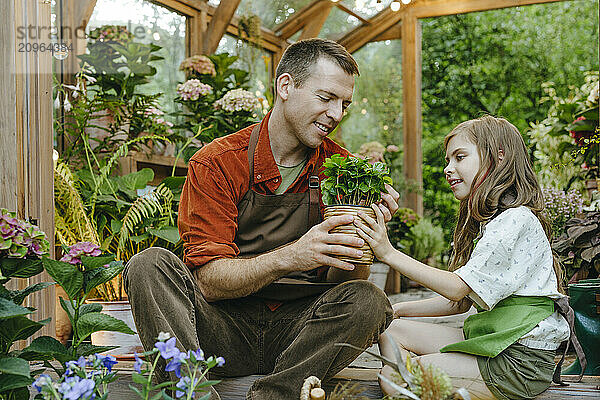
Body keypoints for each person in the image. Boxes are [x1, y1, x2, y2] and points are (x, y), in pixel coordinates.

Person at [124, 38, 397, 400]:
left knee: (370, 300)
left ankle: (274, 395)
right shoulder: (219, 162)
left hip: (301, 336)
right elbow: (208, 283)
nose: (336, 114)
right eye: (325, 98)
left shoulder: (342, 169)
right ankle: (191, 393)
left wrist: (363, 239)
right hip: (221, 328)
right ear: (286, 86)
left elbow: (343, 283)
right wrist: (293, 255)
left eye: (344, 103)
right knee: (148, 265)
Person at [354, 115, 570, 399]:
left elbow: (456, 287)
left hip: (518, 361)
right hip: (496, 341)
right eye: (448, 160)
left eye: (459, 157)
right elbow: (459, 303)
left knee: (395, 378)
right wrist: (399, 310)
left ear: (499, 157)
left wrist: (388, 253)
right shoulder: (496, 221)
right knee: (392, 331)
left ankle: (414, 386)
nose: (448, 168)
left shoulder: (515, 220)